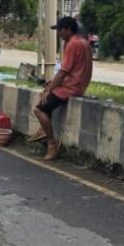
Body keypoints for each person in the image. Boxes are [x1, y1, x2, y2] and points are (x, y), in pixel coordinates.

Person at [30, 16, 93, 161]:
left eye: (60, 30)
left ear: (68, 30)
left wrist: (49, 89)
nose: (58, 33)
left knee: (39, 109)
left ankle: (52, 142)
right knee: (46, 98)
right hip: (79, 85)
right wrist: (52, 84)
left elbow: (64, 71)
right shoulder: (83, 42)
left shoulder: (72, 44)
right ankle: (43, 130)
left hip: (71, 88)